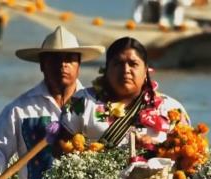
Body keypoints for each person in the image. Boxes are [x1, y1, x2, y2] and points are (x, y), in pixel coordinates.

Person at [0, 26, 105, 179]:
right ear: (42, 65)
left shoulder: (97, 106)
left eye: (69, 59)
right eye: (54, 59)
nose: (62, 65)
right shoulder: (20, 109)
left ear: (79, 65)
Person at [62, 37, 190, 149]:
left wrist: (156, 148)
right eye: (118, 63)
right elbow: (60, 148)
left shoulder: (171, 109)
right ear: (106, 69)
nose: (125, 70)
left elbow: (188, 153)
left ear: (146, 70)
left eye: (133, 64)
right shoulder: (82, 101)